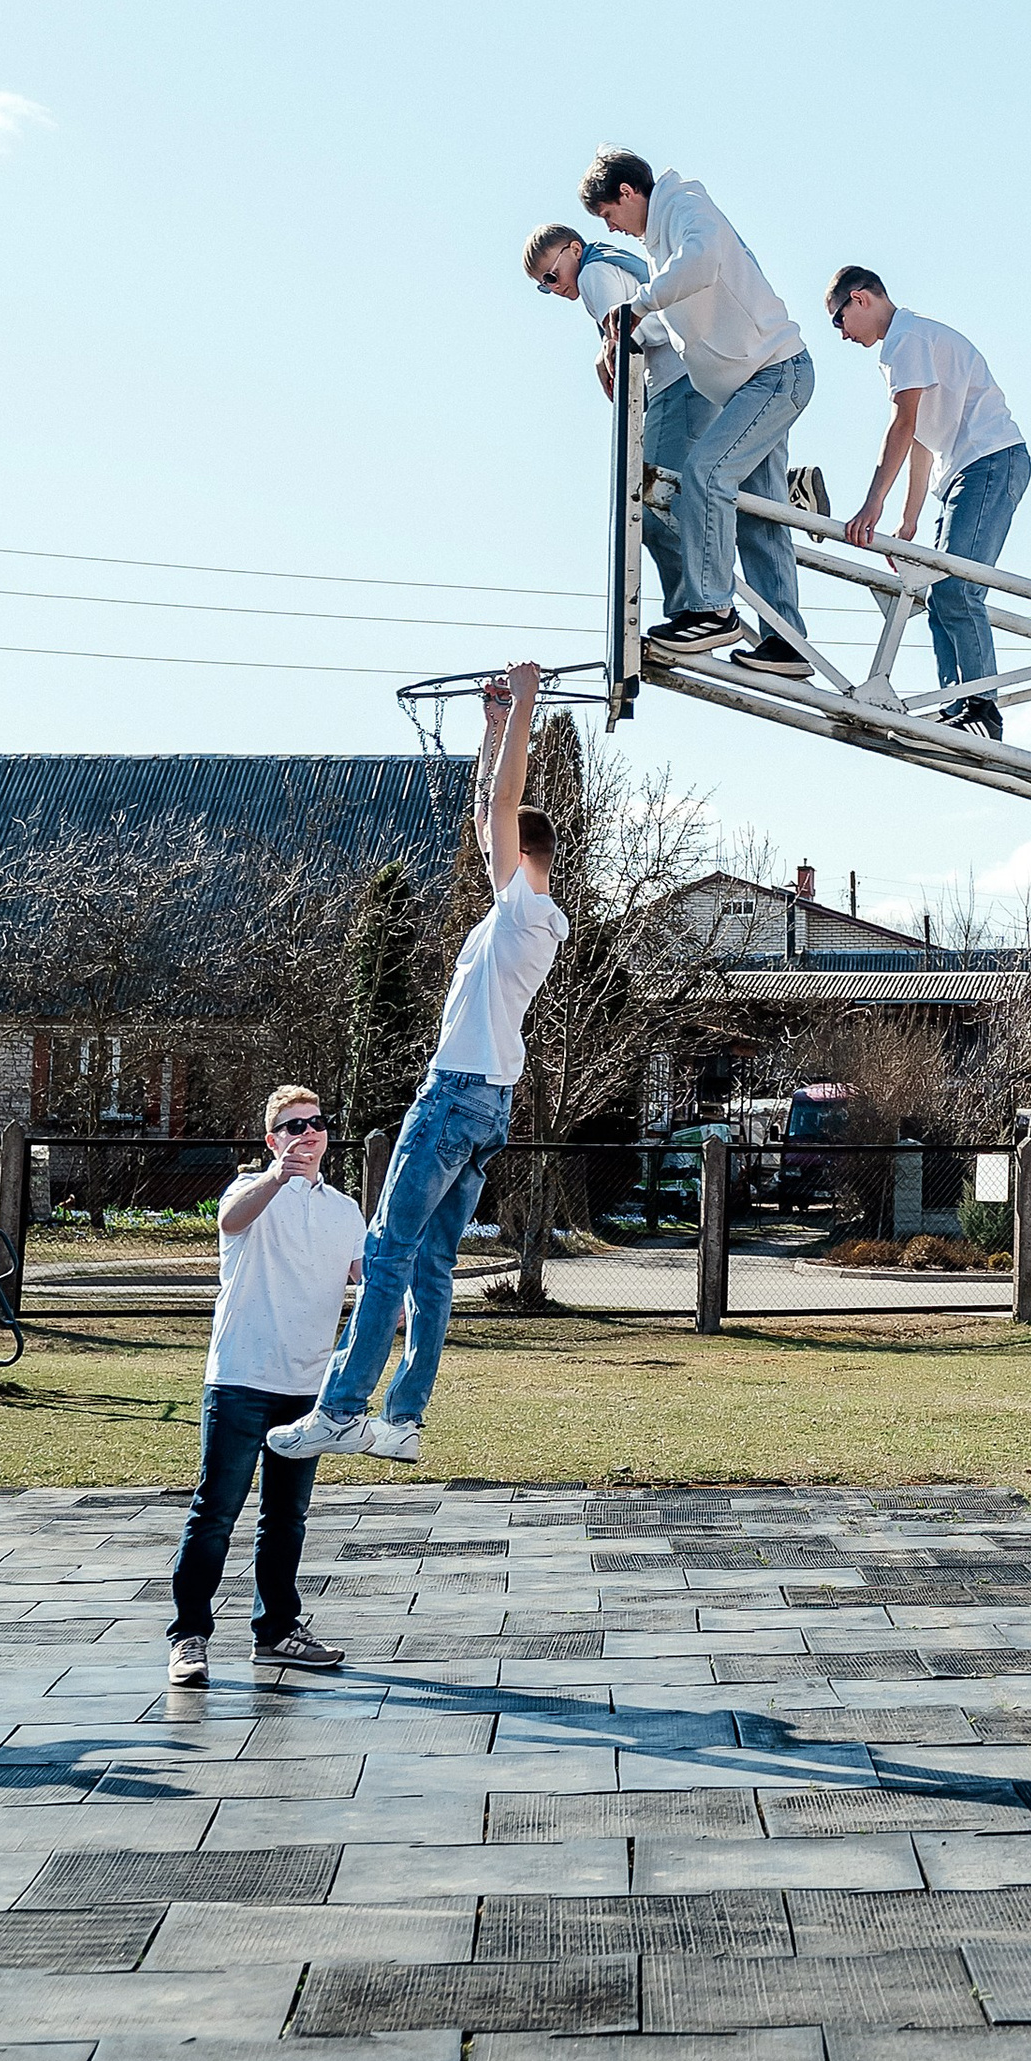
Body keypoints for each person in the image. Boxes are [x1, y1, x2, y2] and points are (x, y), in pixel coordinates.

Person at [268, 665, 567, 1464]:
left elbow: (502, 809)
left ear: (525, 853)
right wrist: (494, 722)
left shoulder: (524, 910)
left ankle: (339, 1407)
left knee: (390, 1250)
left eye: (504, 845)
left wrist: (528, 703)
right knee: (434, 1267)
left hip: (455, 1097)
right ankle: (403, 1419)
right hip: (487, 1106)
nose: (488, 848)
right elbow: (488, 813)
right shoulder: (525, 917)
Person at [576, 149, 811, 668]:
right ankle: (786, 642)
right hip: (749, 385)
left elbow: (702, 263)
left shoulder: (684, 203)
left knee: (704, 475)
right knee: (757, 515)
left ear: (628, 193)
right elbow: (680, 303)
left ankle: (710, 611)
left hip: (773, 374)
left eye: (608, 215)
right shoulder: (660, 242)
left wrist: (634, 307)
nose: (612, 229)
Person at [167, 1085, 362, 1684]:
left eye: (316, 1122)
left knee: (287, 1515)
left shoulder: (345, 1209)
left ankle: (277, 1632)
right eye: (292, 1126)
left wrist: (405, 1304)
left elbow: (365, 1279)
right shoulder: (251, 1191)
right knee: (217, 1509)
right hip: (241, 1376)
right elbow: (231, 1219)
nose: (307, 1133)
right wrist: (278, 1177)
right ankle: (189, 1637)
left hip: (307, 1385)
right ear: (272, 1139)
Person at [826, 266, 1031, 741]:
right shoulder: (909, 341)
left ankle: (980, 706)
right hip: (966, 471)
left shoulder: (906, 340)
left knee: (958, 589)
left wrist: (871, 504)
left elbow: (901, 426)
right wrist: (908, 520)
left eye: (838, 321)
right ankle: (959, 703)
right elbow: (918, 438)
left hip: (989, 462)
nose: (842, 335)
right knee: (940, 594)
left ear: (860, 299)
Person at [524, 220, 690, 616]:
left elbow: (630, 329)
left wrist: (609, 347)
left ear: (574, 251)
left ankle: (692, 611)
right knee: (696, 487)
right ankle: (782, 494)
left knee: (651, 503)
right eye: (543, 285)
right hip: (695, 375)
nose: (555, 286)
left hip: (674, 384)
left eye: (553, 274)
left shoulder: (594, 274)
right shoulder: (615, 264)